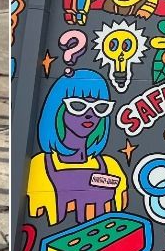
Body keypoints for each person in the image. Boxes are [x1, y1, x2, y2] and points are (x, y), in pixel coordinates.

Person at [25, 69, 126, 225]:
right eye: (78, 105)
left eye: (100, 107)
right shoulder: (41, 165)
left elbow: (121, 213)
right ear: (58, 108)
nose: (90, 114)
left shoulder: (111, 167)